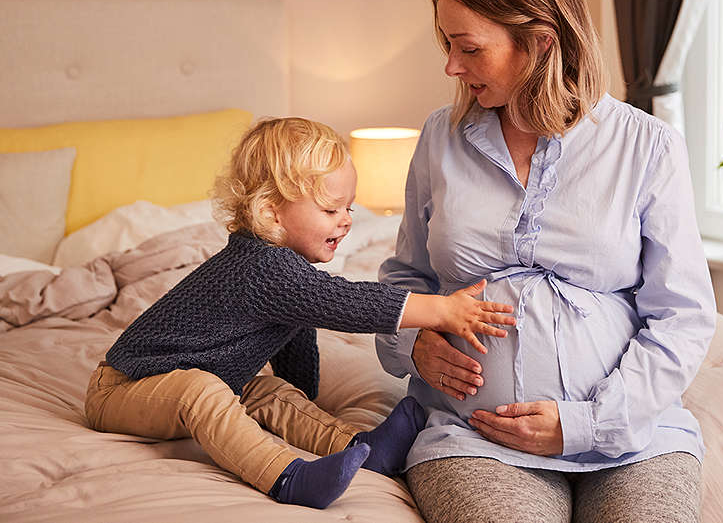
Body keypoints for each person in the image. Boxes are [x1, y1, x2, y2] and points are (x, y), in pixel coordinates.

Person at [374, 0, 717, 521]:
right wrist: (414, 344)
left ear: (538, 40)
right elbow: (405, 279)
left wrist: (588, 423)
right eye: (447, 46)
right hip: (475, 433)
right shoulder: (441, 137)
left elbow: (684, 315)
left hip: (632, 435)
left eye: (469, 47)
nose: (452, 68)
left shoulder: (646, 146)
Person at [84, 117, 516, 510]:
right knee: (199, 390)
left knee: (269, 391)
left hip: (209, 379)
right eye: (330, 210)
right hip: (124, 389)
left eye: (349, 208)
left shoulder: (289, 273)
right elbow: (349, 303)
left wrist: (299, 402)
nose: (346, 221)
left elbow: (296, 349)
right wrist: (439, 310)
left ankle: (361, 447)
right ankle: (287, 477)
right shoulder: (260, 266)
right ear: (272, 210)